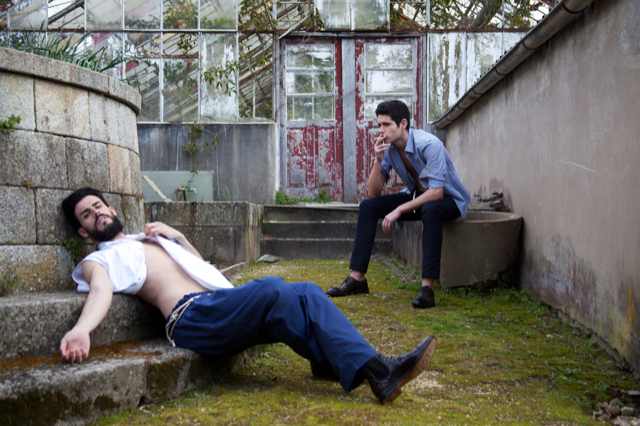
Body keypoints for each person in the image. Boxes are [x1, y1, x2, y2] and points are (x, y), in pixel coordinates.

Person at [59, 187, 437, 404]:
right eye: (87, 215)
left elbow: (200, 268)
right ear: (83, 232)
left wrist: (178, 236)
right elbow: (100, 289)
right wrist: (82, 330)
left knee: (304, 292)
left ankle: (355, 368)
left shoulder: (147, 238)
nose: (97, 214)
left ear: (111, 207)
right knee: (272, 288)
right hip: (192, 318)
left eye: (98, 206)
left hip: (217, 304)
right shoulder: (98, 259)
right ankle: (376, 370)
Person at [327, 100, 470, 309]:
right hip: (418, 197)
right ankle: (357, 279)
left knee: (430, 209)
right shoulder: (390, 149)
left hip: (449, 200)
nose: (381, 130)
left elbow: (436, 192)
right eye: (379, 125)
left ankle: (427, 289)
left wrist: (399, 209)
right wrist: (378, 160)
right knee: (368, 206)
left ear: (403, 124)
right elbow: (373, 193)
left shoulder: (429, 144)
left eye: (386, 124)